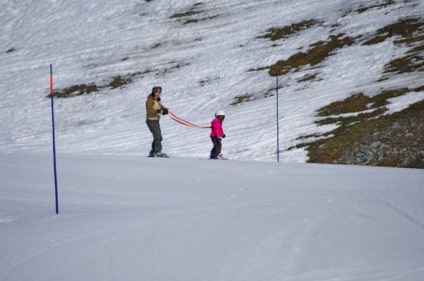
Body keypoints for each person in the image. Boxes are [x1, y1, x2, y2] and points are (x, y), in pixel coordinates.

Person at [146, 86, 169, 158]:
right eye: (156, 92)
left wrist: (164, 109)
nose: (158, 94)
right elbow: (149, 110)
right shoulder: (150, 100)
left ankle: (153, 151)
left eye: (159, 92)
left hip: (156, 120)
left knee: (159, 137)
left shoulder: (157, 100)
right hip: (151, 120)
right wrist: (158, 111)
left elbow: (160, 106)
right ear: (153, 92)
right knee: (157, 136)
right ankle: (157, 152)